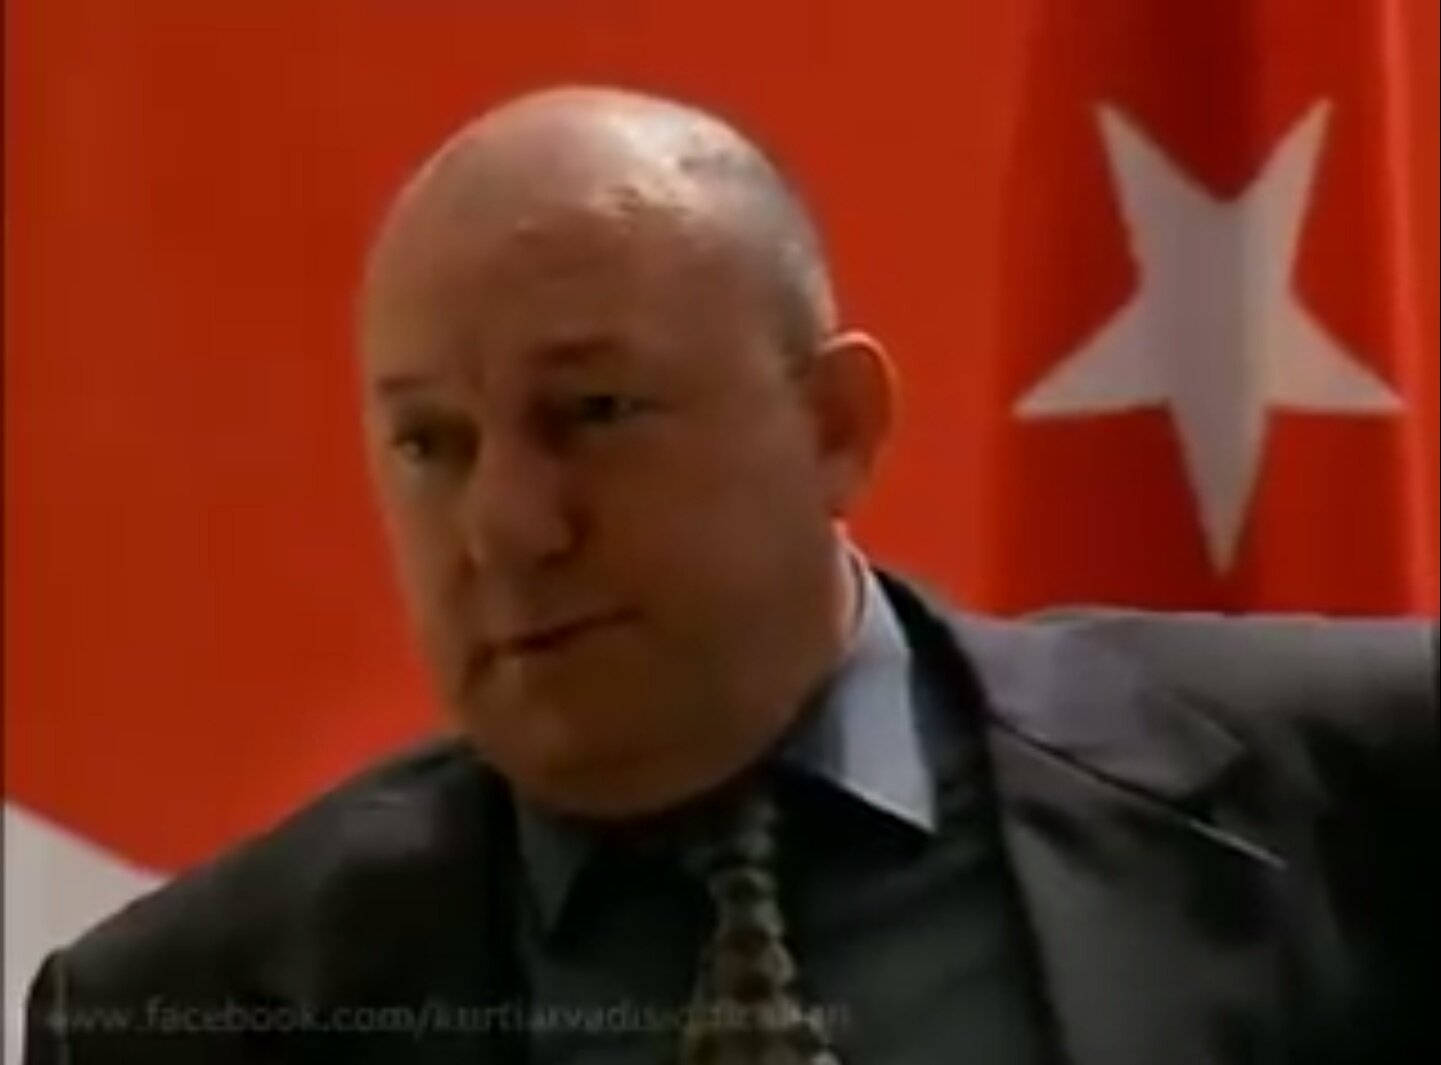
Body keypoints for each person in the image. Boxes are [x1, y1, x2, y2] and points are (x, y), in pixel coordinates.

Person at [22, 85, 1437, 1065]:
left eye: (593, 413)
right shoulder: (181, 1012)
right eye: (430, 443)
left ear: (835, 426)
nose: (506, 524)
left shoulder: (1365, 789)